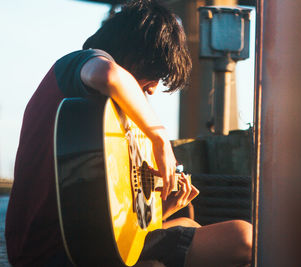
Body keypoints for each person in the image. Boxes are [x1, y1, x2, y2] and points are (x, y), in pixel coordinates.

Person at [5, 1, 252, 266]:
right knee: (243, 237)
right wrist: (159, 138)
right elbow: (107, 74)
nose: (153, 91)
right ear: (137, 55)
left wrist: (161, 207)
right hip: (56, 252)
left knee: (188, 220)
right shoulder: (78, 63)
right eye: (152, 78)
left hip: (79, 243)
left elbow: (108, 220)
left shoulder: (104, 120)